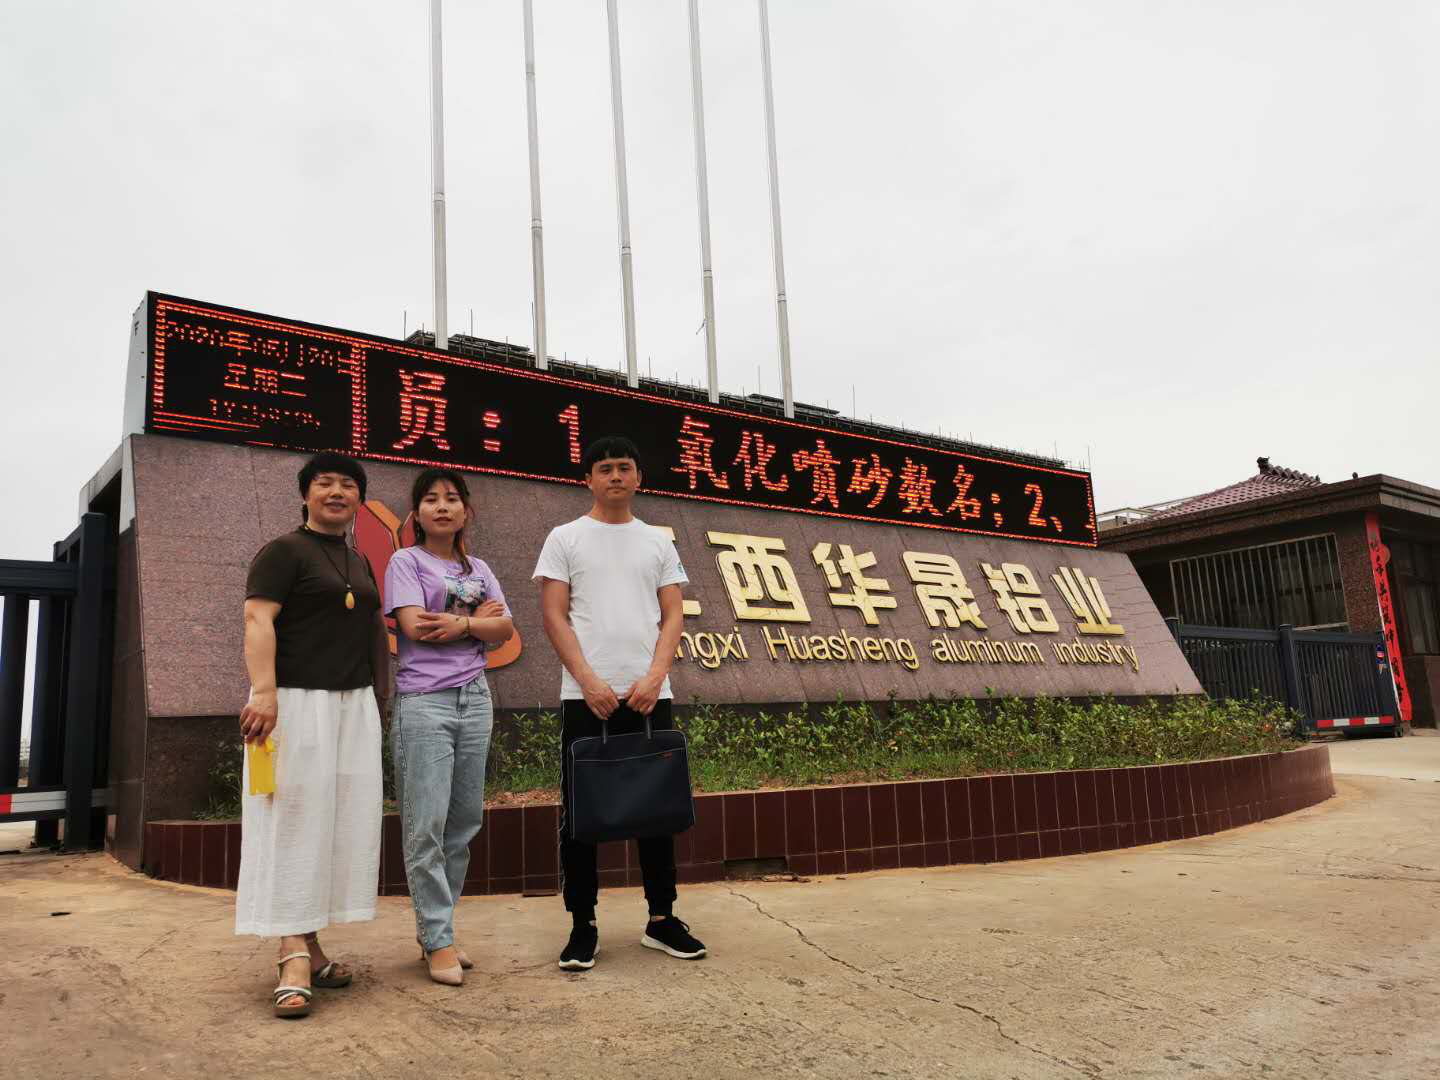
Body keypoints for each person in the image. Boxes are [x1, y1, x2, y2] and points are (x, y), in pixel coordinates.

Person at [533, 434, 706, 971]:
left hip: (650, 695)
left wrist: (655, 677)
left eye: (623, 467)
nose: (614, 476)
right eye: (604, 468)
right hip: (587, 697)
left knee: (658, 809)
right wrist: (587, 680)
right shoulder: (564, 538)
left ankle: (662, 918)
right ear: (587, 479)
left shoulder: (657, 541)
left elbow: (673, 614)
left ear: (638, 478)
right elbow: (554, 615)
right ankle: (582, 925)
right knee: (581, 815)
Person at [236, 451, 390, 1019]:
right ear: (305, 494)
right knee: (293, 821)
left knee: (336, 825)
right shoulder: (282, 551)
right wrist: (263, 692)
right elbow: (258, 619)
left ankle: (312, 942)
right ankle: (292, 954)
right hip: (294, 705)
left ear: (359, 499)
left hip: (353, 706)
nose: (336, 492)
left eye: (348, 485)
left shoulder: (358, 560)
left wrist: (378, 701)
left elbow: (370, 631)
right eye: (324, 483)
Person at [386, 467, 514, 986]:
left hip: (475, 699)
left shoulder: (479, 567)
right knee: (426, 827)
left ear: (466, 511)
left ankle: (437, 929)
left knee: (462, 826)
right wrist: (477, 621)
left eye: (452, 499)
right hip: (425, 703)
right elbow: (416, 626)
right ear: (416, 514)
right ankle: (437, 939)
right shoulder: (406, 562)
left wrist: (461, 623)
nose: (442, 506)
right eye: (431, 499)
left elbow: (505, 628)